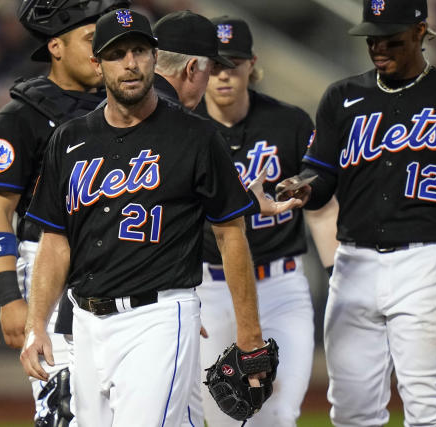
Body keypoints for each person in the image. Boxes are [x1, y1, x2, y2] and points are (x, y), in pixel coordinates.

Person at [19, 9, 273, 427]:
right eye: (117, 53)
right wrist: (36, 325)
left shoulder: (195, 136)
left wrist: (249, 337)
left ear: (156, 58)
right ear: (98, 65)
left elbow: (231, 235)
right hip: (84, 322)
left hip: (158, 318)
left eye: (139, 50)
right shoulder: (70, 138)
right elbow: (54, 241)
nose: (131, 62)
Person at [276, 0, 436, 425]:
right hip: (354, 264)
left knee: (427, 406)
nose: (378, 48)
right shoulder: (343, 96)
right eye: (372, 38)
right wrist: (303, 187)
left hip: (426, 263)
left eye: (391, 39)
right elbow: (321, 174)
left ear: (420, 33)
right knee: (351, 409)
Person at [0, 1, 127, 425]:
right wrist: (9, 298)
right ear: (56, 47)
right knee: (64, 410)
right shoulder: (20, 118)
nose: (104, 51)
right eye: (91, 40)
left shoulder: (130, 109)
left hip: (123, 264)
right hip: (48, 269)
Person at [193, 16, 339, 427]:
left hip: (280, 283)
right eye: (215, 65)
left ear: (252, 64)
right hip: (210, 286)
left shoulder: (288, 123)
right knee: (225, 416)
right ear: (199, 67)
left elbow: (321, 207)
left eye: (233, 64)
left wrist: (337, 274)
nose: (224, 75)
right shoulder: (185, 130)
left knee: (277, 413)